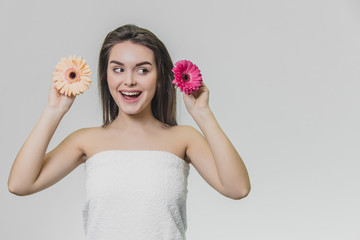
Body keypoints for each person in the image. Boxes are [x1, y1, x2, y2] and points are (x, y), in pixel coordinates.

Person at [8, 24, 250, 239]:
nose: (129, 81)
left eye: (143, 70)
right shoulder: (86, 140)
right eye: (118, 69)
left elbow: (237, 188)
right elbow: (20, 184)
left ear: (160, 78)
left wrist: (202, 114)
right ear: (106, 76)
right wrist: (53, 110)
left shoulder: (183, 139)